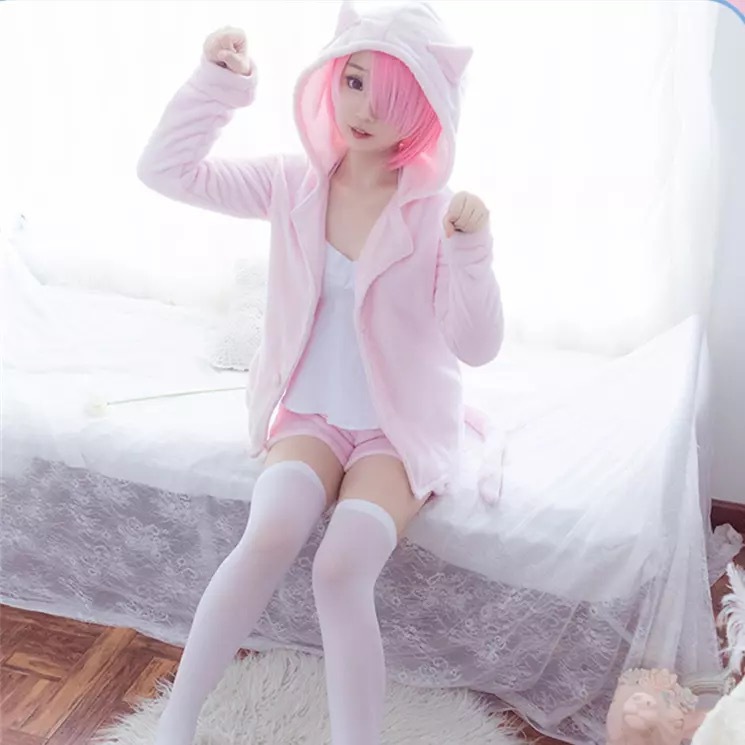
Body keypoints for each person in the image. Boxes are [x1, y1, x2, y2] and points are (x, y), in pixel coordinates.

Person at [136, 1, 503, 743]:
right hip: (308, 414)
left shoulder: (434, 215)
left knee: (339, 572)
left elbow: (477, 345)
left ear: (424, 109)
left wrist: (472, 250)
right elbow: (164, 170)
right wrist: (218, 84)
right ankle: (177, 723)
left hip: (395, 431)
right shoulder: (291, 183)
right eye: (353, 81)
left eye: (387, 94)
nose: (362, 108)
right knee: (268, 535)